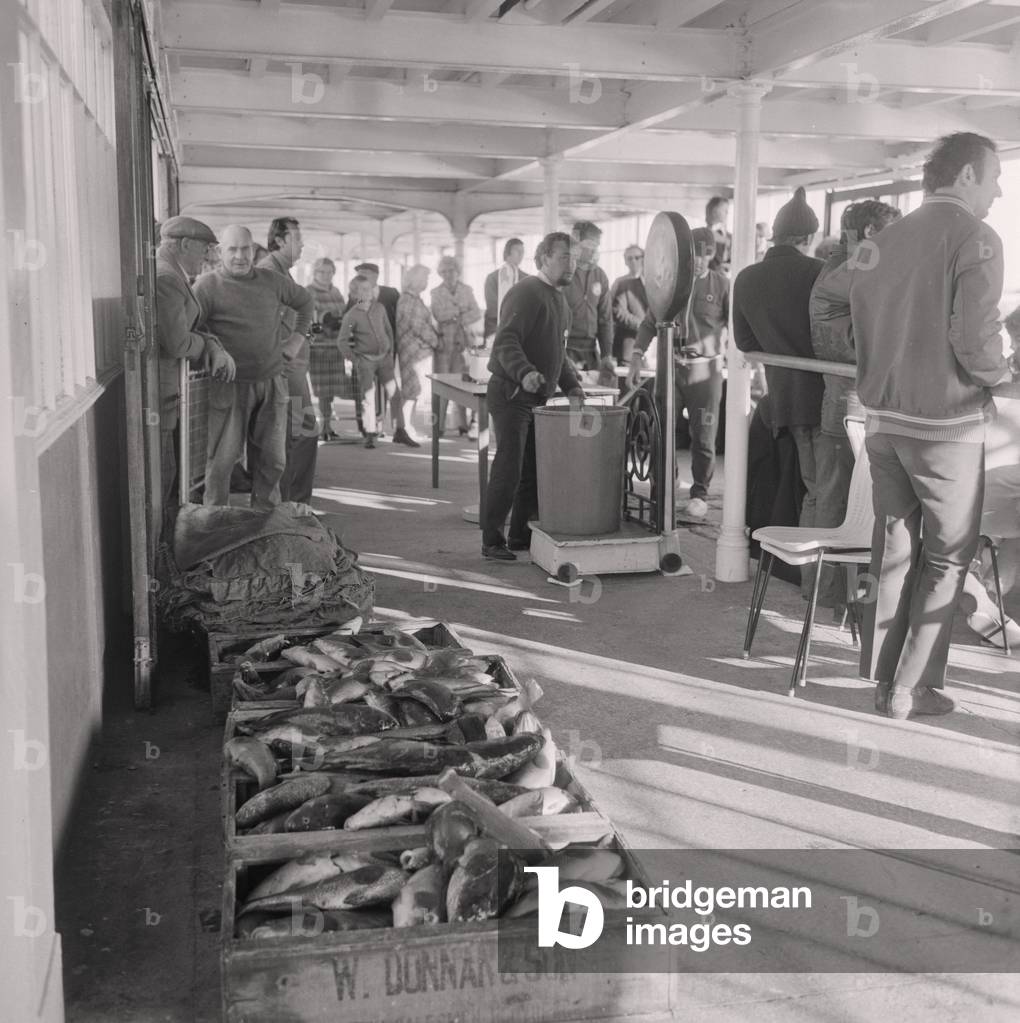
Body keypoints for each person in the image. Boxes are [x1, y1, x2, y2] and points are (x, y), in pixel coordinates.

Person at [849, 132, 1014, 719]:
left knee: (894, 550)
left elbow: (854, 328)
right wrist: (1001, 370)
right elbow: (974, 340)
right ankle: (907, 690)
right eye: (994, 178)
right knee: (946, 559)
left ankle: (879, 677)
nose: (998, 191)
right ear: (966, 176)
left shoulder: (880, 241)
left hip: (881, 423)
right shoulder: (976, 238)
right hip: (944, 428)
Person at [808, 200, 901, 609]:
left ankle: (831, 594)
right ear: (868, 233)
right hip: (852, 404)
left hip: (846, 400)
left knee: (837, 497)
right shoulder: (852, 270)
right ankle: (839, 596)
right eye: (892, 233)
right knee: (847, 501)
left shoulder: (842, 267)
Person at [733, 186, 824, 598]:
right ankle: (814, 581)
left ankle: (799, 571)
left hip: (779, 399)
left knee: (807, 484)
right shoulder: (818, 273)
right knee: (822, 489)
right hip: (826, 398)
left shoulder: (747, 278)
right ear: (808, 237)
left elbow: (743, 341)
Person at [481, 232, 586, 560]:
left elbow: (558, 352)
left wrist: (572, 385)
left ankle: (521, 537)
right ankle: (491, 539)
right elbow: (506, 341)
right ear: (543, 259)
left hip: (537, 398)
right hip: (511, 393)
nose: (572, 265)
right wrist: (525, 372)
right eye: (564, 257)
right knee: (509, 467)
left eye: (575, 259)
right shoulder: (525, 293)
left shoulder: (559, 300)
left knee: (533, 469)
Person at [194, 225, 313, 510]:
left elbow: (306, 302)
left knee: (273, 462)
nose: (239, 256)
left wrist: (297, 339)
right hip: (228, 386)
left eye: (245, 249)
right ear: (220, 252)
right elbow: (193, 330)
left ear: (254, 249)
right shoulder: (206, 286)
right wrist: (213, 347)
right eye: (232, 249)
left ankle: (264, 526)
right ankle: (215, 525)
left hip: (272, 383)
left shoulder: (271, 281)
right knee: (221, 463)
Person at [630, 227, 728, 520]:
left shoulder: (722, 285)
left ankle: (700, 492)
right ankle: (666, 483)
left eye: (706, 254)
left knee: (704, 435)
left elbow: (738, 325)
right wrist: (636, 357)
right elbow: (649, 322)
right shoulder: (669, 282)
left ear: (713, 255)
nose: (699, 260)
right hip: (670, 367)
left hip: (705, 371)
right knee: (662, 430)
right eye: (695, 253)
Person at [154, 216, 235, 529]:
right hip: (161, 398)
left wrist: (209, 344)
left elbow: (192, 331)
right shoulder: (167, 279)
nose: (206, 257)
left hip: (167, 396)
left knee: (171, 476)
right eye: (203, 249)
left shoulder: (171, 275)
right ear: (185, 244)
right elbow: (176, 342)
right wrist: (207, 347)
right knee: (165, 480)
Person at [257, 217, 318, 504]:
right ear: (279, 241)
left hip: (291, 368)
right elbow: (264, 323)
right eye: (297, 238)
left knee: (295, 434)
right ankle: (293, 505)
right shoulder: (271, 273)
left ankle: (293, 504)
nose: (302, 243)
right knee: (300, 433)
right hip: (285, 370)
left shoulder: (280, 272)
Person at [338, 275, 418, 449]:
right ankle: (370, 433)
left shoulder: (379, 308)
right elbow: (342, 341)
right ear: (354, 293)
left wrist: (389, 350)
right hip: (365, 361)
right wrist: (355, 359)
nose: (370, 292)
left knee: (395, 394)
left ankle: (400, 430)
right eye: (365, 289)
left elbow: (389, 330)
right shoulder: (351, 317)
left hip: (384, 359)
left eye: (371, 288)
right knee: (368, 397)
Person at [431, 255, 483, 437]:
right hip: (444, 344)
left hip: (465, 344)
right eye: (443, 271)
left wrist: (454, 316)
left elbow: (476, 313)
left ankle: (463, 424)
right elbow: (438, 314)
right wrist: (459, 312)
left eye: (451, 270)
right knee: (442, 384)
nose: (447, 274)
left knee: (463, 383)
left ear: (457, 271)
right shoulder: (435, 292)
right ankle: (438, 426)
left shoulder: (467, 290)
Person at [396, 264, 440, 442]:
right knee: (411, 390)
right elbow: (419, 326)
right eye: (424, 278)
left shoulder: (414, 298)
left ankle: (408, 426)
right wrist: (437, 342)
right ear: (414, 280)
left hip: (417, 352)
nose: (426, 282)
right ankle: (404, 428)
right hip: (412, 352)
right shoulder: (408, 300)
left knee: (414, 390)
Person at [564, 220, 613, 373]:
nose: (595, 251)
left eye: (597, 246)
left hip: (591, 353)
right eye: (591, 245)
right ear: (577, 243)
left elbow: (605, 319)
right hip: (566, 350)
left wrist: (606, 355)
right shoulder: (563, 274)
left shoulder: (601, 276)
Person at [306, 257, 346, 441]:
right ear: (315, 272)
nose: (326, 275)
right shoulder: (309, 292)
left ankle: (328, 425)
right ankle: (323, 426)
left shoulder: (336, 291)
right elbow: (309, 321)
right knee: (322, 390)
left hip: (335, 347)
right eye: (322, 271)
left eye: (330, 272)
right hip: (320, 348)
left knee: (331, 390)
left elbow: (344, 314)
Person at [610, 244, 648, 366]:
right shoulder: (620, 283)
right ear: (625, 261)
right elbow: (617, 312)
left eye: (637, 257)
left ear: (644, 258)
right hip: (627, 346)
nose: (633, 261)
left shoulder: (651, 283)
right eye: (629, 258)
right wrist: (644, 326)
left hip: (647, 345)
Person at [484, 238, 526, 340]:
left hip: (520, 328)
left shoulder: (526, 279)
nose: (521, 254)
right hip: (495, 327)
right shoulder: (493, 278)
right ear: (507, 252)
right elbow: (492, 305)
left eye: (522, 251)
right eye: (517, 250)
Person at [705, 196, 732, 274]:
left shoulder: (730, 236)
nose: (727, 213)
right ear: (714, 211)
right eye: (724, 210)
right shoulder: (702, 235)